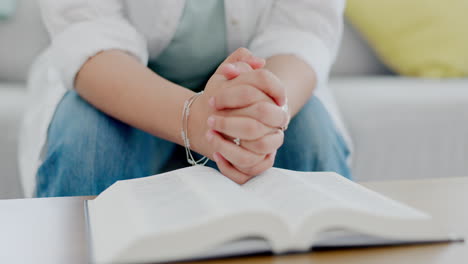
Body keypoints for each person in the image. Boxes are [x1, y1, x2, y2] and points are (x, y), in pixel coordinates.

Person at [19, 0, 351, 197]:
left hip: (264, 72)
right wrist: (196, 118)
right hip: (119, 74)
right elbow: (86, 29)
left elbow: (304, 31)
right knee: (86, 146)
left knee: (311, 142)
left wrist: (260, 113)